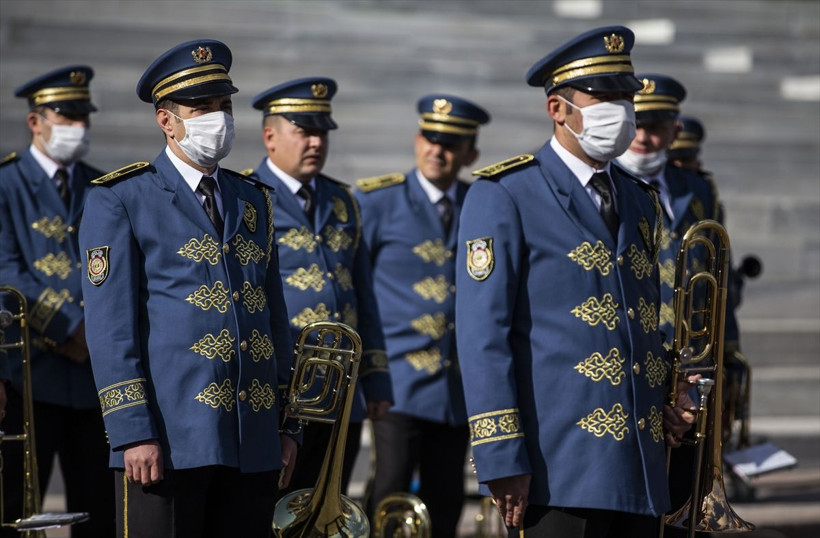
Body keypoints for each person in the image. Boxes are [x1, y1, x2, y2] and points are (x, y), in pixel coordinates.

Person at [455, 26, 697, 537]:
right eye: (604, 96)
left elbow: (646, 322)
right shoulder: (506, 194)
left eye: (626, 96)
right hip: (555, 469)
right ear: (557, 109)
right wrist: (500, 456)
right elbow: (483, 337)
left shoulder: (639, 198)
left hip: (640, 465)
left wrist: (672, 395)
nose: (622, 109)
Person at [78, 40, 297, 538]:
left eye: (224, 106)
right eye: (201, 109)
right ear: (166, 121)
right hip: (169, 442)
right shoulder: (122, 198)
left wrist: (287, 427)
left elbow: (273, 317)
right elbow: (111, 329)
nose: (216, 120)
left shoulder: (253, 200)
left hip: (252, 439)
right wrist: (133, 432)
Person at [249, 77, 392, 497]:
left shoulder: (343, 200)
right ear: (270, 136)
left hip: (342, 391)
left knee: (328, 505)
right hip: (283, 388)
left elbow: (362, 293)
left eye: (322, 132)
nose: (316, 142)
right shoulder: (249, 196)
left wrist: (377, 377)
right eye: (304, 131)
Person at [356, 94, 490, 536]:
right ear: (417, 141)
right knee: (390, 495)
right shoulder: (378, 201)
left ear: (471, 153)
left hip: (456, 387)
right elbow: (357, 285)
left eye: (452, 142)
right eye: (431, 138)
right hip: (398, 384)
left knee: (447, 500)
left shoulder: (482, 203)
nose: (438, 150)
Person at [0, 66, 114, 537]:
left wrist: (95, 333)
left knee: (99, 514)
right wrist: (68, 325)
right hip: (30, 376)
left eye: (83, 115)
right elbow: (5, 270)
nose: (77, 126)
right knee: (18, 508)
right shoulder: (6, 183)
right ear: (35, 122)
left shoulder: (103, 186)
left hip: (93, 380)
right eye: (65, 115)